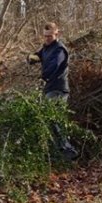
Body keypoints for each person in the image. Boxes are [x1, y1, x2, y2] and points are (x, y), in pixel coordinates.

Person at [27, 23, 79, 160]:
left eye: (50, 36)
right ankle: (59, 152)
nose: (47, 39)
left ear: (57, 34)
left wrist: (43, 77)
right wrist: (30, 58)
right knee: (51, 119)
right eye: (45, 36)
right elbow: (37, 56)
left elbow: (54, 66)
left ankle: (68, 150)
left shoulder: (59, 49)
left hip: (58, 89)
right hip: (49, 88)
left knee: (53, 118)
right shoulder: (46, 48)